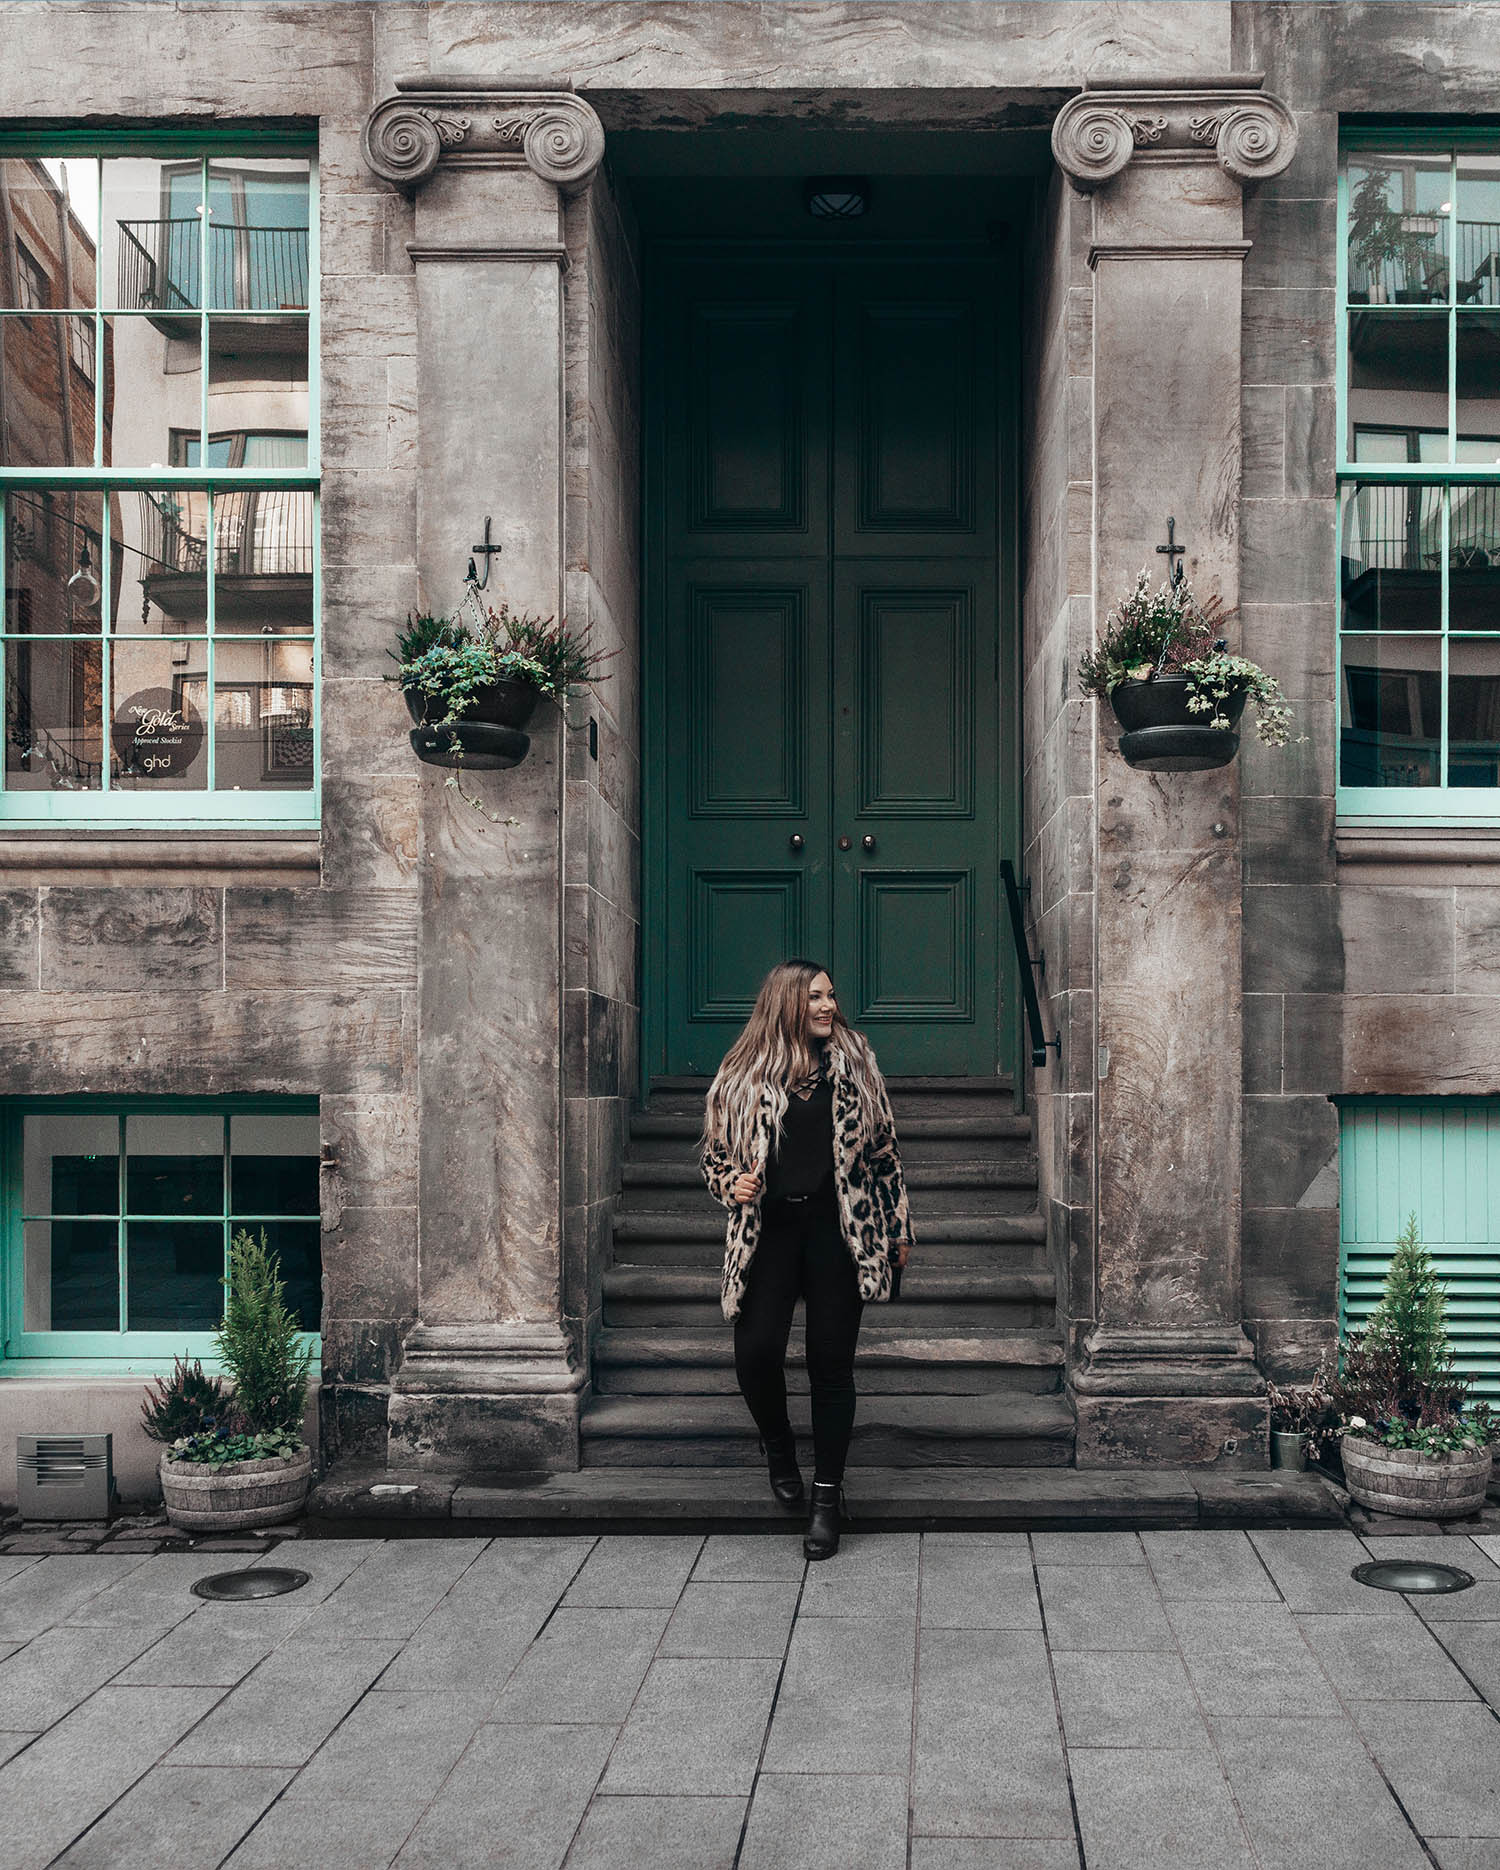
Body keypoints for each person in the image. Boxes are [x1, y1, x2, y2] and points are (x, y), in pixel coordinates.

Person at [700, 958, 913, 1560]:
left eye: (831, 996)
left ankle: (826, 1498)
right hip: (769, 1231)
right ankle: (777, 1443)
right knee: (757, 1351)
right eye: (816, 996)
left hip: (836, 1229)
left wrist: (896, 1229)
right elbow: (714, 1156)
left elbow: (883, 1153)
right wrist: (730, 1182)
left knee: (830, 1365)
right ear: (788, 1002)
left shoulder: (854, 1061)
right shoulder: (742, 1073)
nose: (827, 1006)